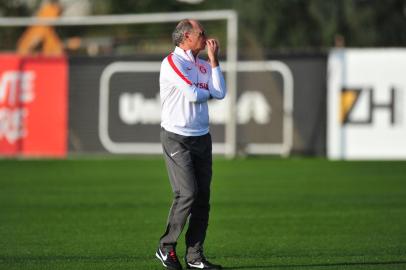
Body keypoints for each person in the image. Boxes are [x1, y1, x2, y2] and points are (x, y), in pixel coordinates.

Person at [155, 19, 226, 270]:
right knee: (187, 193)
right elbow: (194, 95)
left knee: (203, 198)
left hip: (201, 137)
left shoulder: (204, 64)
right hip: (177, 137)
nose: (206, 37)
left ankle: (195, 256)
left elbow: (221, 92)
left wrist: (214, 61)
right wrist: (205, 90)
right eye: (201, 33)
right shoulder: (172, 62)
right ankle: (166, 248)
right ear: (186, 37)